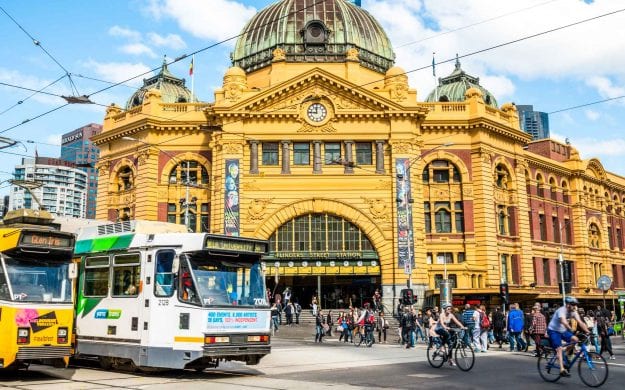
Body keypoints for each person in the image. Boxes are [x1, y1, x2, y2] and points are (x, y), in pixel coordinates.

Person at [546, 296, 590, 377]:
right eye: (573, 304)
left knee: (575, 339)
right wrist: (570, 329)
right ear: (568, 305)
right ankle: (562, 370)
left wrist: (588, 331)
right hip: (553, 330)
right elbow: (563, 321)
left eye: (575, 304)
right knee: (559, 348)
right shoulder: (561, 310)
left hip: (562, 330)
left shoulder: (573, 311)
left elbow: (580, 322)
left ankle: (565, 354)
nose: (575, 306)